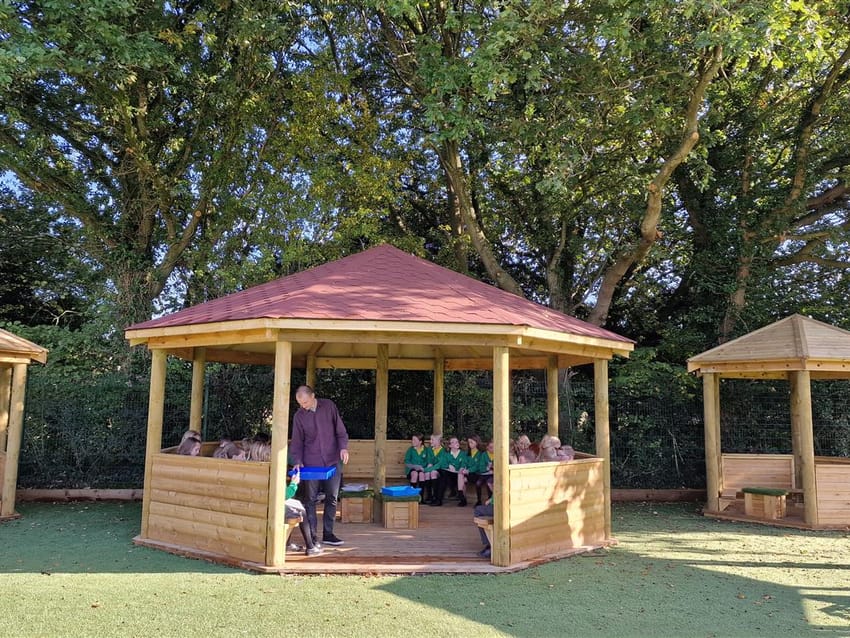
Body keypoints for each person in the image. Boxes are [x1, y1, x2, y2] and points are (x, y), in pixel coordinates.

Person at [289, 385, 349, 547]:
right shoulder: (299, 416)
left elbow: (341, 431)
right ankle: (312, 538)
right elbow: (297, 442)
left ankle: (328, 534)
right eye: (300, 403)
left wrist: (343, 448)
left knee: (332, 497)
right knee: (310, 500)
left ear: (313, 396)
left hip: (333, 460)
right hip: (311, 463)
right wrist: (297, 461)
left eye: (306, 402)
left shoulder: (328, 406)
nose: (303, 406)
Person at [284, 467, 323, 556]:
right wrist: (294, 484)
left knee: (296, 504)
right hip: (275, 508)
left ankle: (287, 543)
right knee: (301, 511)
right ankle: (310, 547)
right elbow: (285, 495)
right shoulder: (274, 471)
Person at [404, 433, 430, 501]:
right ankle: (413, 496)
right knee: (415, 474)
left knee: (421, 474)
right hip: (412, 469)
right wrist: (414, 466)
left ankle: (421, 497)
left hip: (422, 469)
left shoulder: (426, 450)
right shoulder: (410, 450)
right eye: (412, 440)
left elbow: (428, 461)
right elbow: (407, 461)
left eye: (414, 440)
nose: (412, 441)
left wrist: (423, 467)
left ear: (420, 442)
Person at [442, 436, 468, 505]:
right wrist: (449, 466)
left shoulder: (463, 453)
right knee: (444, 474)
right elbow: (443, 464)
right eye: (453, 442)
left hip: (461, 473)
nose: (456, 443)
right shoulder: (446, 454)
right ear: (450, 445)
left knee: (463, 478)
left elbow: (464, 464)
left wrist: (461, 469)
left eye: (457, 442)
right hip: (451, 476)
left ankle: (462, 498)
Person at [425, 433, 446, 506]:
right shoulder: (430, 449)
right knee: (428, 473)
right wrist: (428, 467)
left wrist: (427, 470)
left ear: (438, 441)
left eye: (432, 440)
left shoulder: (443, 451)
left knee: (432, 472)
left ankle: (435, 496)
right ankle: (429, 496)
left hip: (441, 469)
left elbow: (439, 465)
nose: (430, 441)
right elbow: (429, 461)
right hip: (433, 468)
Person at [473, 494, 494, 559]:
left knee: (478, 510)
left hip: (498, 506)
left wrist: (492, 500)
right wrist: (491, 499)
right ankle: (489, 543)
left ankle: (489, 545)